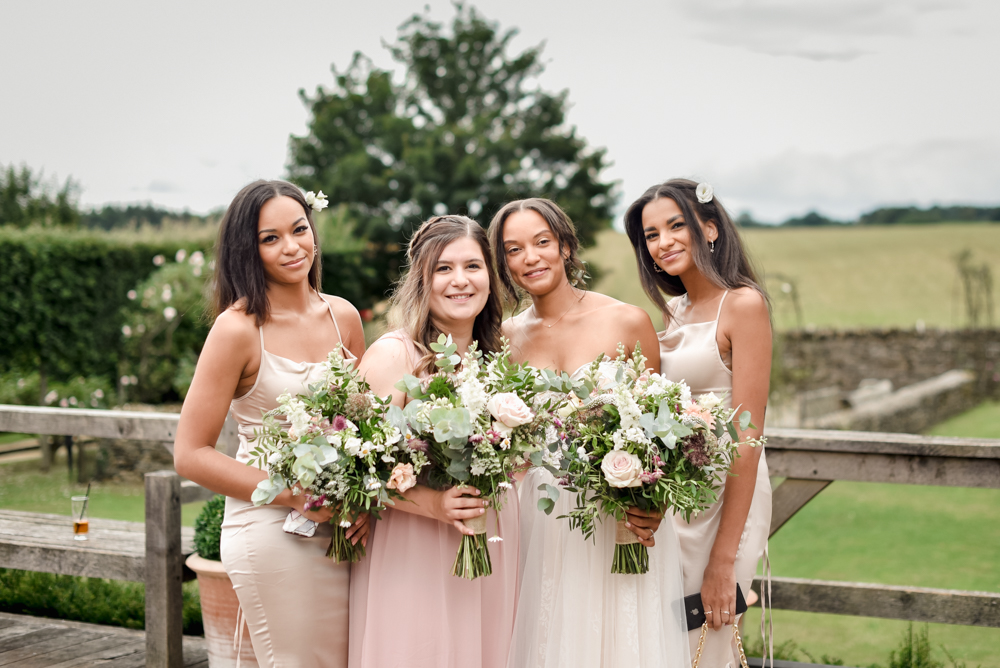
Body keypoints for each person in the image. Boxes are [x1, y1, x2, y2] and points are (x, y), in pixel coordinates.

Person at [488, 198, 691, 668]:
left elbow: (659, 431)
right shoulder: (505, 337)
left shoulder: (625, 321)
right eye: (514, 249)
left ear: (564, 246)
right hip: (540, 519)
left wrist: (651, 501)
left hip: (616, 514)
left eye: (541, 242)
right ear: (504, 264)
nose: (531, 257)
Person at [174, 180, 367, 668]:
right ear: (248, 250)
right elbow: (190, 453)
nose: (292, 247)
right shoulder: (237, 329)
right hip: (272, 528)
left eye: (299, 229)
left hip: (346, 525)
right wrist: (293, 496)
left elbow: (367, 424)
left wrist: (365, 499)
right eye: (270, 238)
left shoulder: (342, 316)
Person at [349, 215, 519, 668]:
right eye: (443, 269)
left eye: (473, 266)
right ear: (421, 279)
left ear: (490, 277)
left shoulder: (500, 361)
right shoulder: (395, 354)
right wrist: (431, 504)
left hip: (492, 541)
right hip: (414, 548)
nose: (460, 281)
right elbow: (355, 466)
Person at [624, 179, 772, 666]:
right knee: (666, 639)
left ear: (709, 229)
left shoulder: (743, 305)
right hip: (679, 494)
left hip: (727, 495)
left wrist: (723, 558)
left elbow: (748, 439)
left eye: (675, 226)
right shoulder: (674, 312)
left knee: (706, 634)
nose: (662, 242)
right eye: (650, 235)